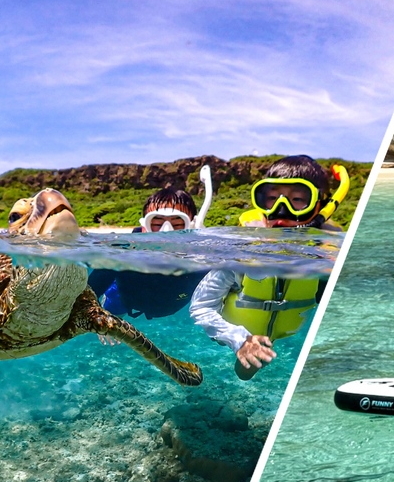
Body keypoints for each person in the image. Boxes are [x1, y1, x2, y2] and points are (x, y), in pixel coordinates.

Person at [189, 155, 349, 380]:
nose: (281, 210)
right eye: (272, 198)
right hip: (236, 329)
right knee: (245, 373)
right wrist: (239, 339)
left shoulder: (329, 255)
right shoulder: (241, 253)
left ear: (320, 206)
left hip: (286, 332)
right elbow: (200, 306)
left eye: (297, 199)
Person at [88, 168, 213, 320]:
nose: (166, 232)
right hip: (122, 301)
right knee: (111, 315)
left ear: (193, 226)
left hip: (168, 305)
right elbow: (86, 296)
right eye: (156, 224)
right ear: (143, 227)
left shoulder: (204, 259)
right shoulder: (123, 253)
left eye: (178, 224)